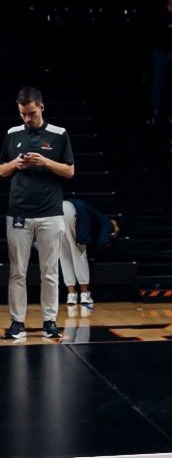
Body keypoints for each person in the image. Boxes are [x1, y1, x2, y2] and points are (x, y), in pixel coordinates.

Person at [0, 87, 75, 340]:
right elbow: (2, 170)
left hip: (50, 213)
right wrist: (15, 164)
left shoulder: (59, 134)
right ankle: (17, 323)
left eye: (31, 113)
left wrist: (45, 162)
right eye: (23, 114)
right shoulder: (12, 134)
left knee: (49, 270)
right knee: (17, 271)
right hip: (18, 212)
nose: (27, 119)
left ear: (41, 108)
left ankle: (49, 321)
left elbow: (69, 171)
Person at [60, 198, 114, 310]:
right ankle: (84, 294)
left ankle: (71, 295)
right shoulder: (106, 222)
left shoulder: (91, 211)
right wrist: (98, 251)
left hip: (56, 211)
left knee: (64, 255)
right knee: (79, 253)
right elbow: (103, 239)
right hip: (72, 212)